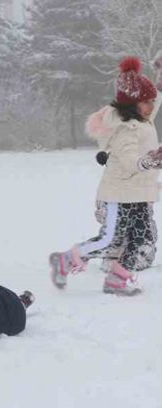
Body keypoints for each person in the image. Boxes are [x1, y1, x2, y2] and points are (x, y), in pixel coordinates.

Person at [51, 56, 162, 296]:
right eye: (147, 102)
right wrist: (151, 159)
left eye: (152, 101)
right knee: (110, 239)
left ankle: (117, 279)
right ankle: (65, 260)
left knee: (142, 239)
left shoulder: (143, 120)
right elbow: (129, 161)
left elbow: (158, 99)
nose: (152, 106)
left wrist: (160, 75)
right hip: (119, 194)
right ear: (133, 104)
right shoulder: (125, 128)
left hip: (141, 195)